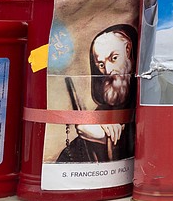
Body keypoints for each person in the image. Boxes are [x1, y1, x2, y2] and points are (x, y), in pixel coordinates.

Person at [57, 24, 137, 163]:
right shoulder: (98, 116)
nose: (107, 70)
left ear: (128, 50)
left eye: (114, 58)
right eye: (101, 65)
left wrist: (104, 138)